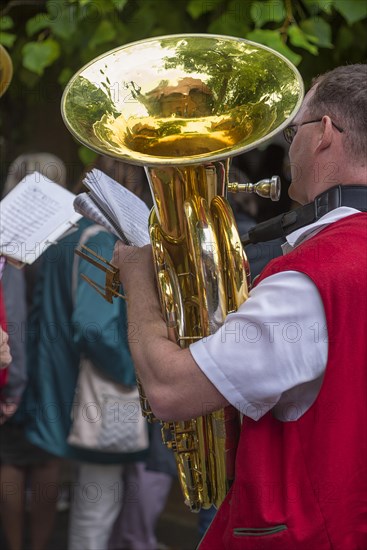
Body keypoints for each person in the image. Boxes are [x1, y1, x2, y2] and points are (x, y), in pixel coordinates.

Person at [112, 64, 367, 549]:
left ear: (325, 135)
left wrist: (139, 277)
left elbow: (170, 390)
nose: (289, 147)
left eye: (294, 130)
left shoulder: (314, 276)